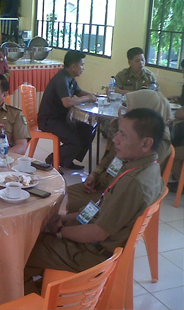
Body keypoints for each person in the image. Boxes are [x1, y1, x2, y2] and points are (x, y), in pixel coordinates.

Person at [24, 108, 165, 293]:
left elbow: (98, 232)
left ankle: (33, 298)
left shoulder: (133, 183)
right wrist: (65, 220)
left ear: (146, 143)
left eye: (123, 134)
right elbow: (100, 209)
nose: (115, 140)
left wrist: (59, 231)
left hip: (92, 254)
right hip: (98, 245)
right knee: (38, 233)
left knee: (22, 250)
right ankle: (43, 288)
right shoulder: (149, 169)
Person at [67, 89, 172, 213]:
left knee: (59, 206)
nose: (126, 111)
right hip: (102, 185)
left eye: (130, 107)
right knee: (56, 196)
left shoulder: (158, 141)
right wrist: (95, 174)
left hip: (114, 195)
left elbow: (133, 174)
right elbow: (111, 155)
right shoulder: (130, 131)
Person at [37, 50, 97, 170]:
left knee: (88, 130)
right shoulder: (62, 79)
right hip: (49, 120)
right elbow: (67, 102)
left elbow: (79, 92)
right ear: (74, 66)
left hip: (60, 118)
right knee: (75, 141)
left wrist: (94, 96)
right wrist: (87, 98)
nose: (83, 68)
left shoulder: (70, 78)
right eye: (82, 65)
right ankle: (52, 160)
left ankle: (67, 160)